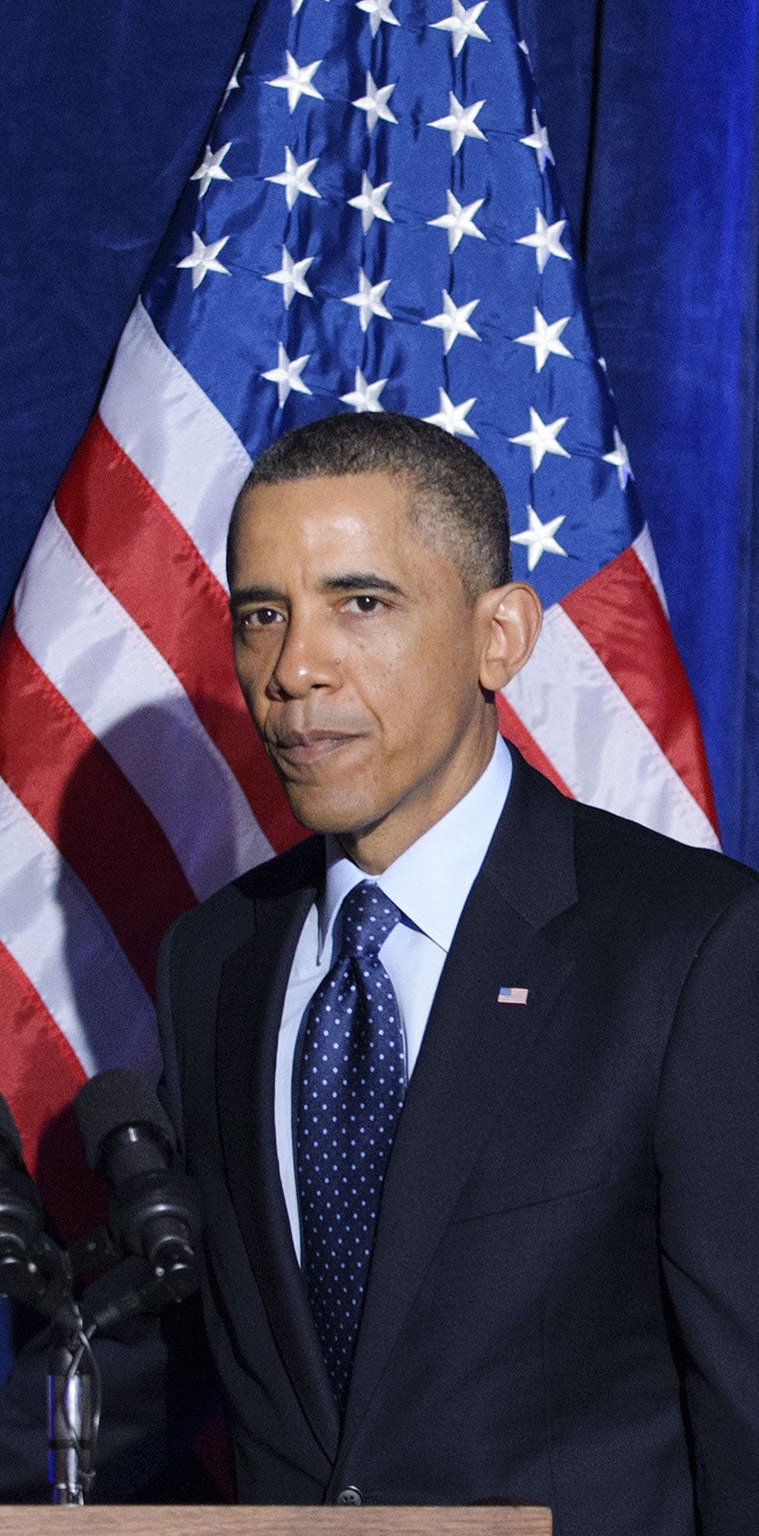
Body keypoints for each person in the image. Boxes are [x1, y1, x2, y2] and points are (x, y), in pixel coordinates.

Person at [156, 411, 759, 1533]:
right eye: (260, 615)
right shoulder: (212, 959)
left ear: (499, 637)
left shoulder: (689, 948)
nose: (292, 669)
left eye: (360, 603)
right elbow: (189, 1353)